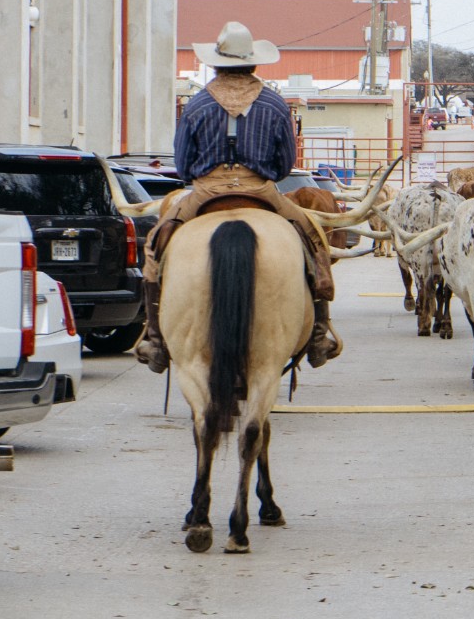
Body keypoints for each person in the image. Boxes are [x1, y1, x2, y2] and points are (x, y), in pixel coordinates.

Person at [134, 22, 342, 374]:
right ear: (253, 63)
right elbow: (285, 163)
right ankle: (320, 331)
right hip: (260, 188)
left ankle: (154, 336)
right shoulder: (275, 103)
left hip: (205, 191)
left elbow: (184, 164)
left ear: (216, 64)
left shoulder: (197, 103)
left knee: (156, 244)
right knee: (313, 237)